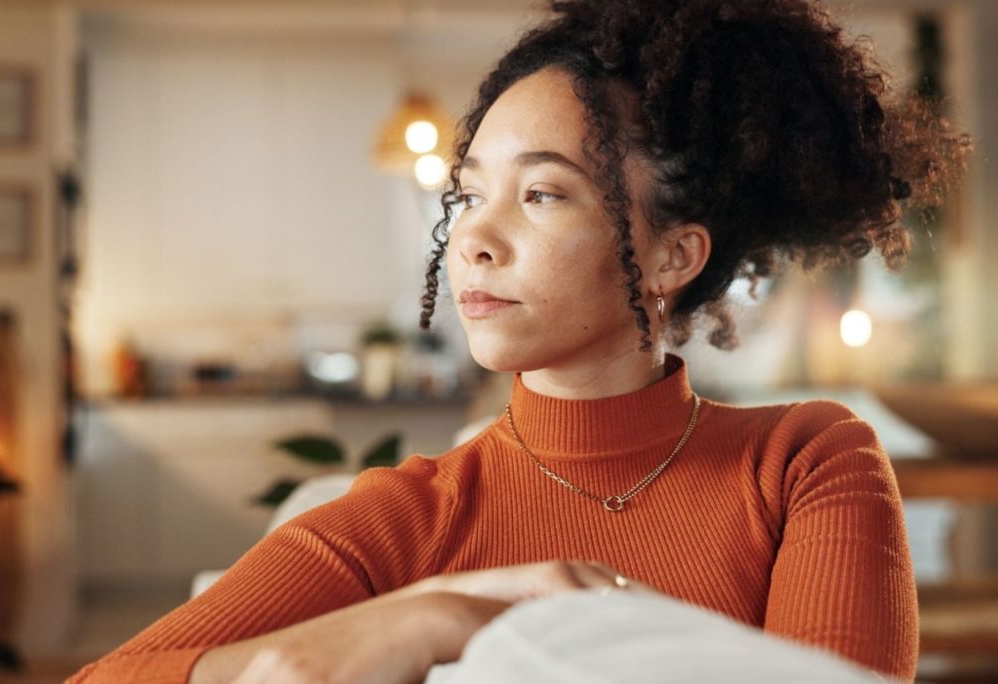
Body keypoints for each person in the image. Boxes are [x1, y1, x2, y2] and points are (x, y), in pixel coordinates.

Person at [67, 1, 969, 682]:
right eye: (467, 194)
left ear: (673, 254)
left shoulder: (806, 463)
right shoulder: (404, 516)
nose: (472, 237)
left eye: (540, 194)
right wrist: (424, 617)